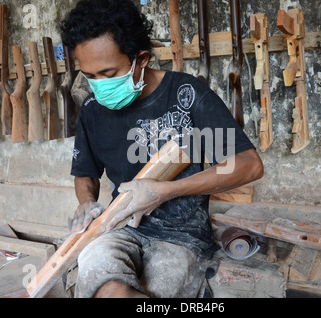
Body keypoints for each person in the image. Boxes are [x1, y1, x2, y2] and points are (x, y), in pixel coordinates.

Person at [60, 0, 264, 298]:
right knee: (107, 287)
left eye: (107, 73)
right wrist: (86, 202)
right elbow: (85, 174)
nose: (98, 85)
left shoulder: (187, 94)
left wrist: (164, 191)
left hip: (182, 237)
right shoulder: (92, 109)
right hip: (119, 225)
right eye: (90, 76)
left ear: (140, 59)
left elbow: (248, 164)